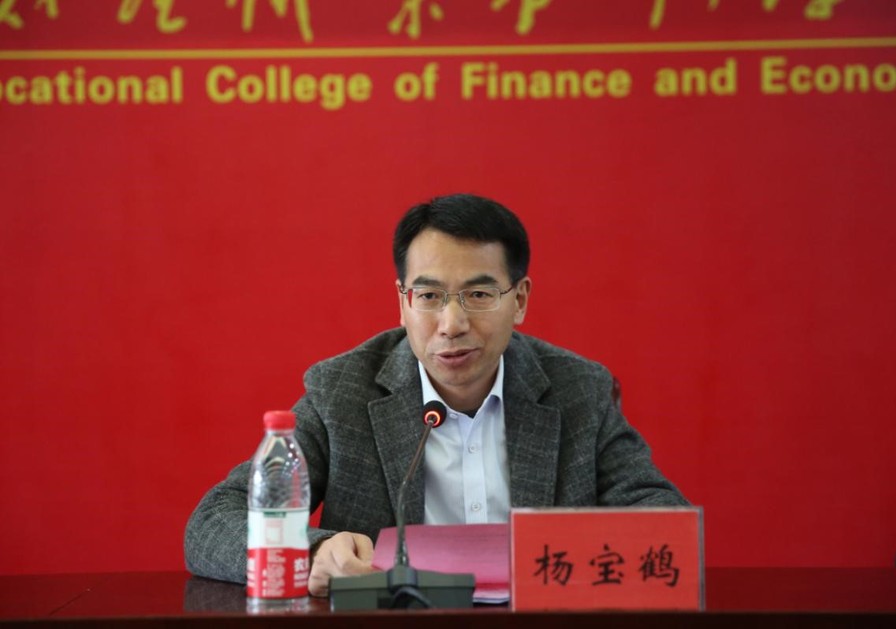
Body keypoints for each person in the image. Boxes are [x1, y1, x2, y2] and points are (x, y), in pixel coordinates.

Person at [184, 193, 687, 597]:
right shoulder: (341, 391)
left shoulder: (579, 390)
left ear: (519, 301)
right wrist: (314, 552)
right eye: (428, 296)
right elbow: (212, 523)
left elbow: (663, 520)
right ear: (402, 302)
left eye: (479, 294)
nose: (452, 323)